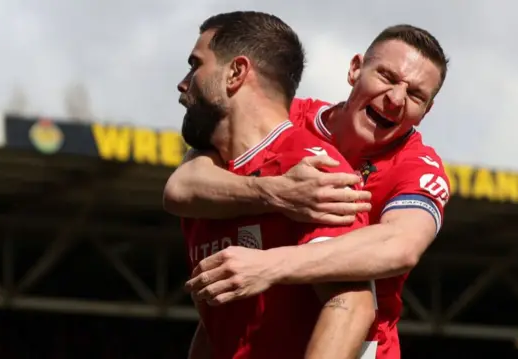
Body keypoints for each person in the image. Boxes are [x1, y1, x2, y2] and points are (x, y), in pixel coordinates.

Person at [164, 24, 451, 359]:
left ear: (427, 110)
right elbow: (181, 186)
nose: (396, 99)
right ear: (355, 69)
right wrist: (274, 191)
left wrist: (268, 265)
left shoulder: (418, 167)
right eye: (386, 76)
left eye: (416, 95)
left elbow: (400, 245)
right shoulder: (285, 117)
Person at [175, 11, 378, 359]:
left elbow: (352, 303)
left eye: (196, 65)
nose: (184, 83)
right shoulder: (210, 180)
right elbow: (221, 325)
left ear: (236, 73)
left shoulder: (311, 169)